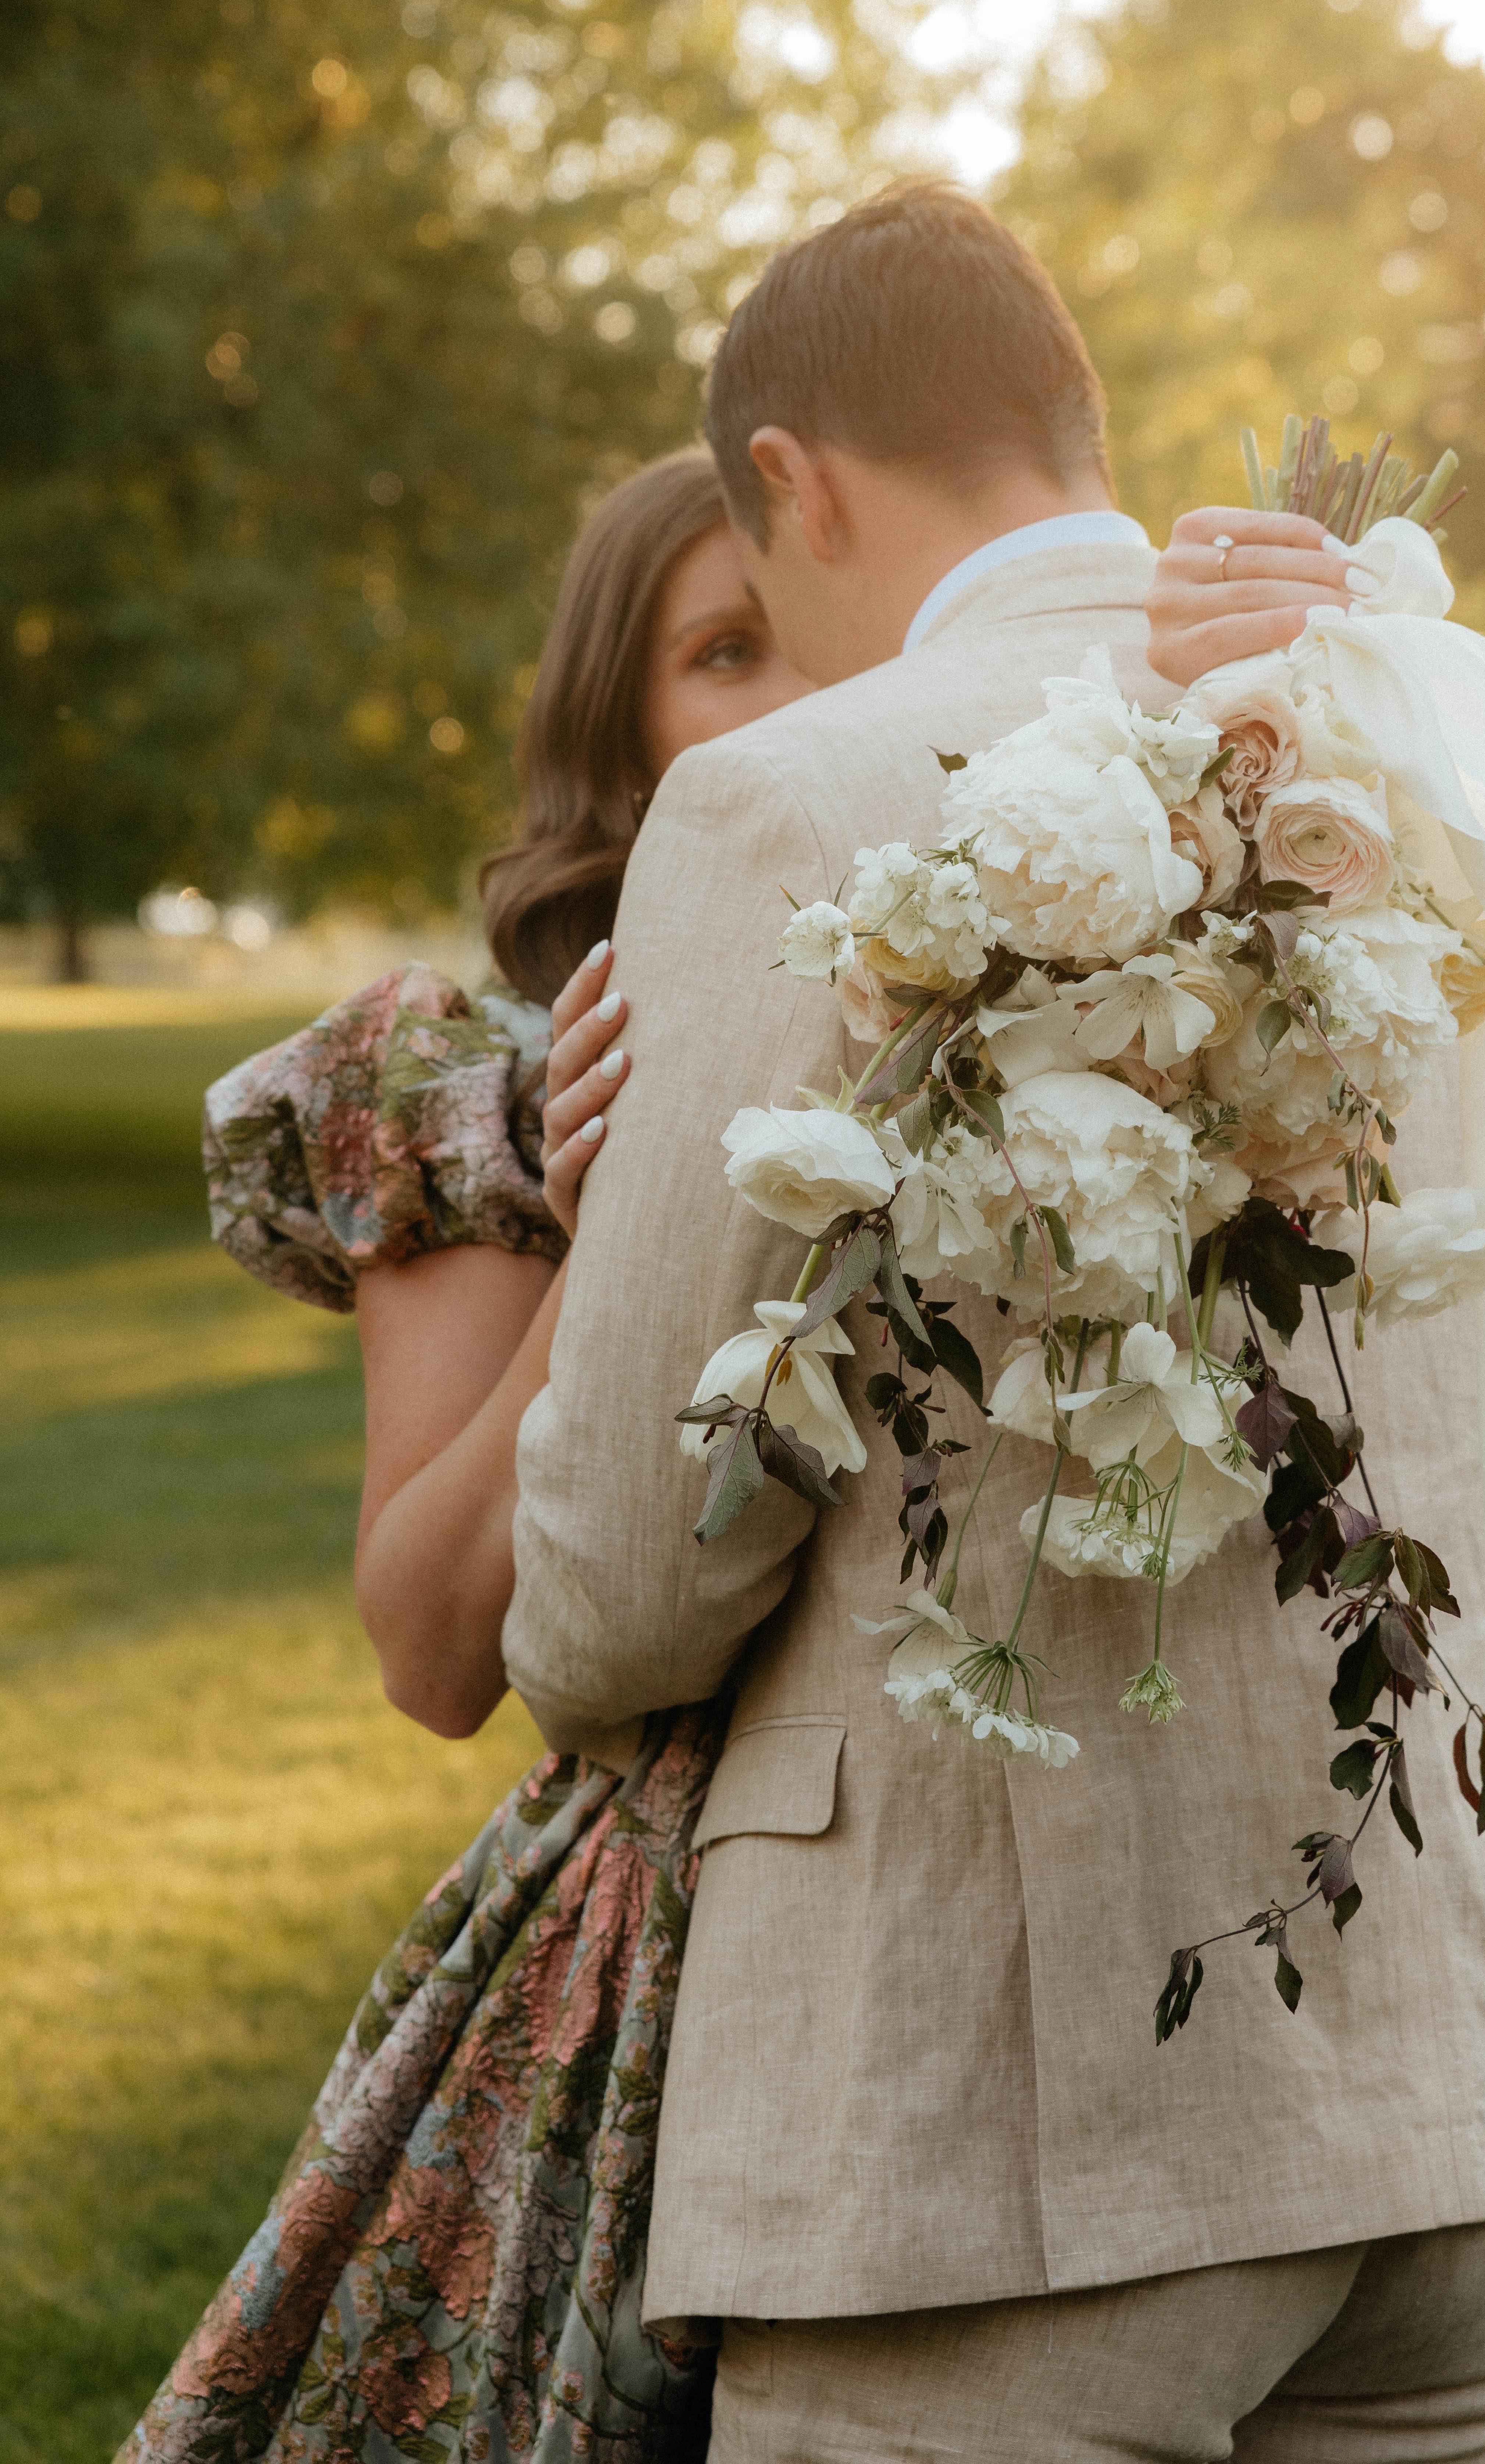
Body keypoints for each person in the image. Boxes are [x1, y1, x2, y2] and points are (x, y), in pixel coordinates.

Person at [505, 181, 1485, 2464]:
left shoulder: (780, 802)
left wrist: (561, 1624)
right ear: (1072, 422)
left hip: (994, 2143)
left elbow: (629, 1572)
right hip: (1440, 2099)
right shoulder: (1382, 758)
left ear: (789, 482)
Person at [123, 446, 808, 2464]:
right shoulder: (479, 1087)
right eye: (724, 651)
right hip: (657, 1936)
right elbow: (429, 1649)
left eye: (812, 633)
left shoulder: (1017, 989)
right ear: (625, 742)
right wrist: (614, 1250)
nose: (792, 694)